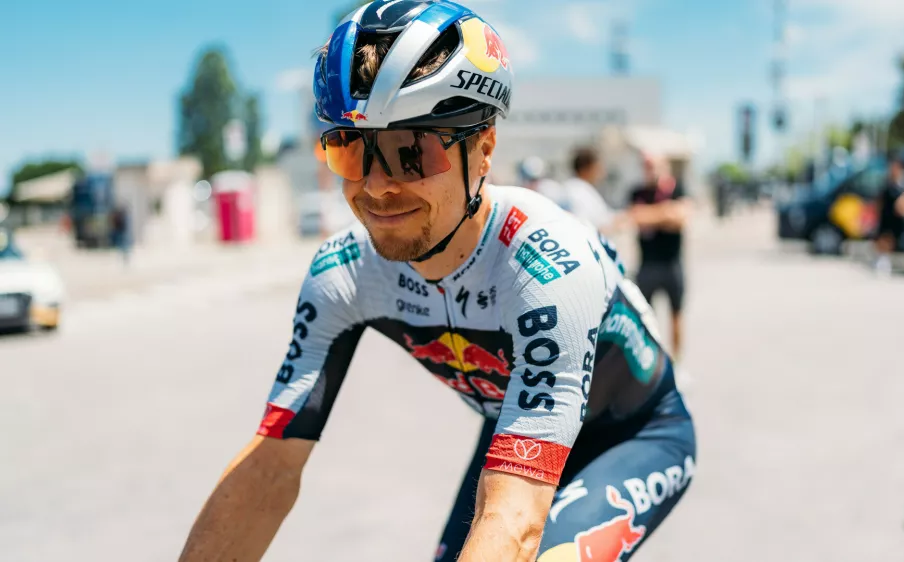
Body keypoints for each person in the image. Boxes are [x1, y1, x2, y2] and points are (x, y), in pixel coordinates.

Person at [178, 2, 696, 561]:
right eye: (349, 151)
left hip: (635, 435)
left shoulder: (545, 263)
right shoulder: (343, 274)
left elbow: (516, 521)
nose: (375, 188)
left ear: (485, 148)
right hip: (514, 425)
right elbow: (270, 470)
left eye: (409, 152)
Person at [627, 154, 691, 364]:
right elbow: (635, 217)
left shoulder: (677, 188)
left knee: (676, 316)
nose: (650, 170)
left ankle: (677, 365)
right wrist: (665, 213)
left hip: (672, 263)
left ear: (664, 167)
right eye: (646, 166)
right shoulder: (637, 192)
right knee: (644, 317)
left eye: (654, 166)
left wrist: (651, 215)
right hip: (647, 264)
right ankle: (651, 364)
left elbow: (681, 218)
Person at [873, 153, 904, 275]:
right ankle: (882, 261)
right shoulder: (886, 182)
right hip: (886, 215)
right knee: (883, 238)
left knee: (894, 239)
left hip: (898, 217)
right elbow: (879, 199)